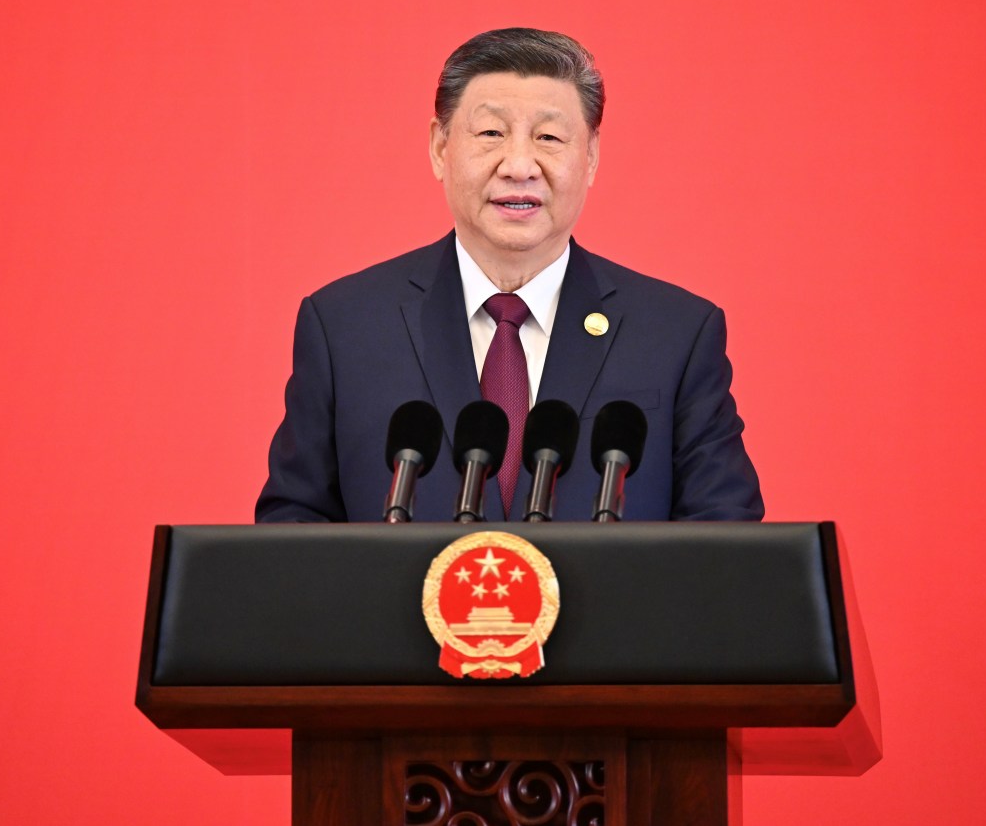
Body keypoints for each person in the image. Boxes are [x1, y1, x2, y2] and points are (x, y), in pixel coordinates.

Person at [255, 28, 763, 522]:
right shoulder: (344, 327)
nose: (520, 165)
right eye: (491, 133)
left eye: (549, 137)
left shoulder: (676, 335)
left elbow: (725, 539)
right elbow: (293, 529)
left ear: (590, 156)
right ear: (440, 148)